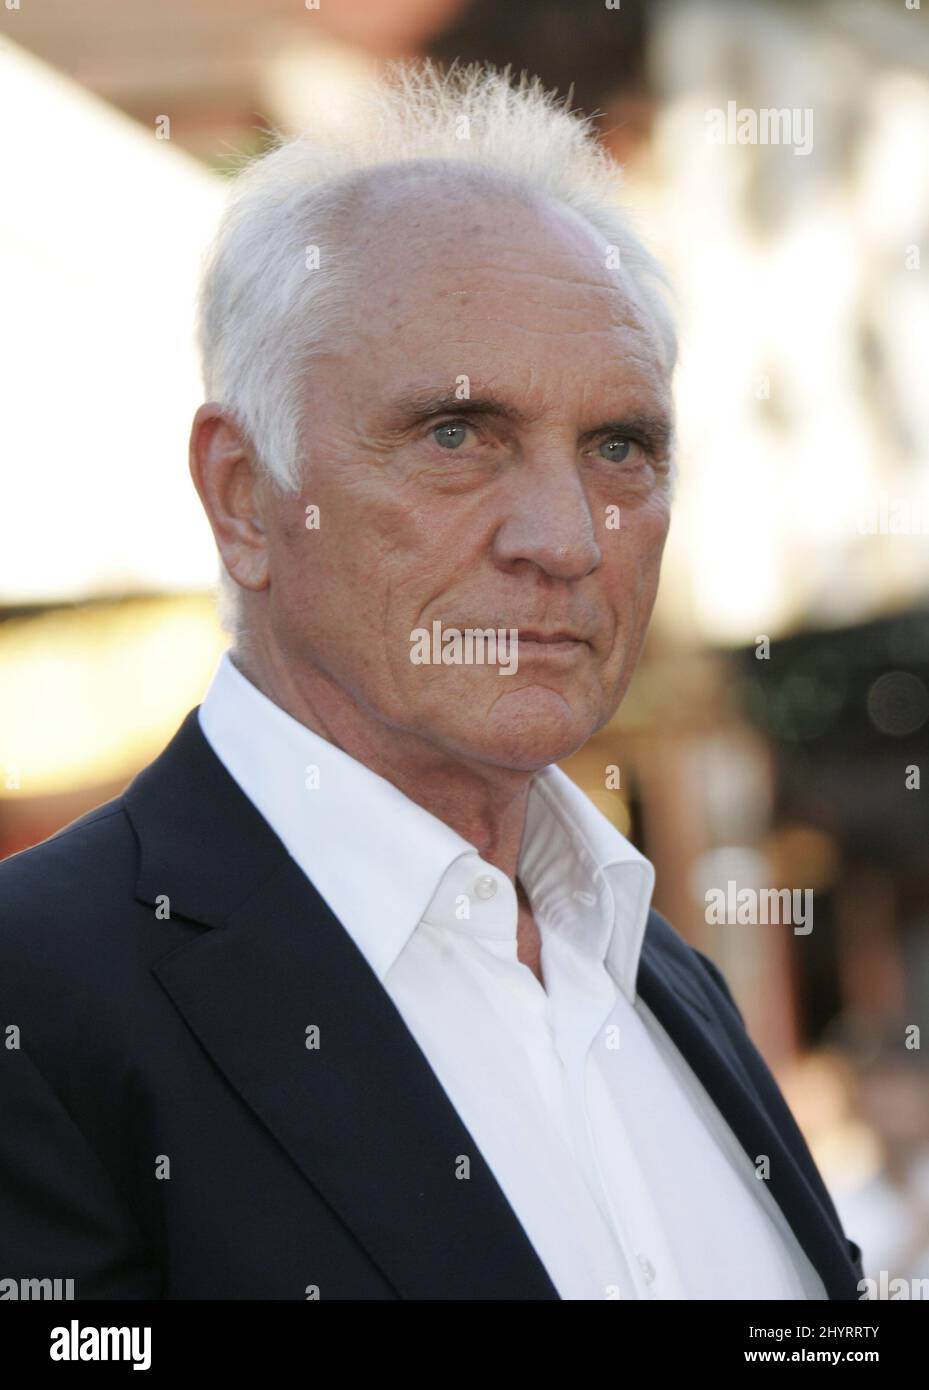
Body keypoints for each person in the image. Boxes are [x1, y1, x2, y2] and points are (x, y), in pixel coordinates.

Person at [0, 61, 864, 1300]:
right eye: (457, 436)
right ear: (243, 495)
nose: (564, 537)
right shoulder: (39, 999)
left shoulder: (666, 982)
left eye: (619, 446)